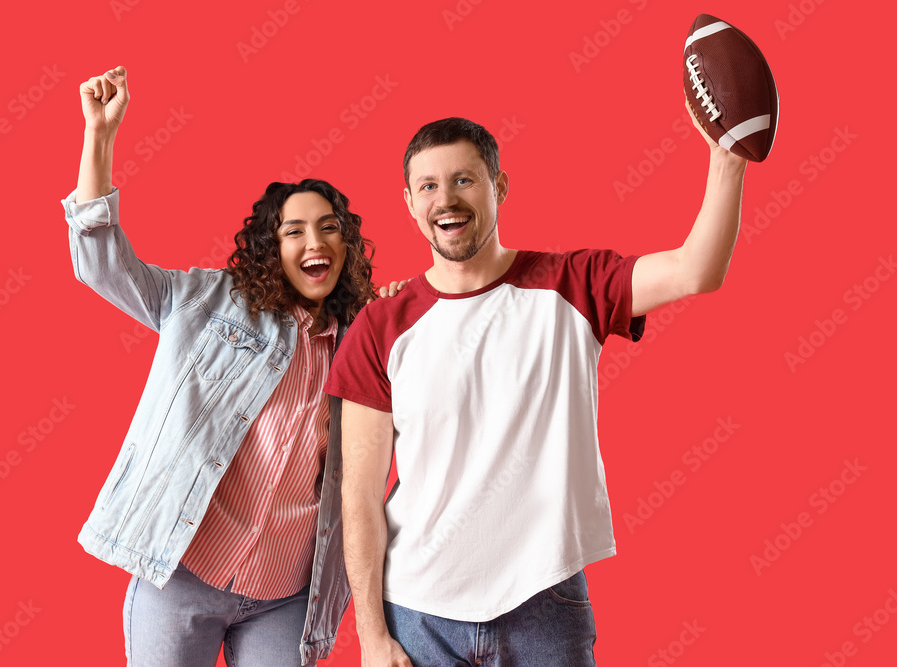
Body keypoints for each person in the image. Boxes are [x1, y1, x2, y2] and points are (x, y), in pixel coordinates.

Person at [324, 112, 748, 666]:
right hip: (418, 611)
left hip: (542, 599)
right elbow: (357, 496)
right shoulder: (381, 327)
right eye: (428, 186)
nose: (445, 199)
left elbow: (698, 270)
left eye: (464, 180)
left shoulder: (574, 285)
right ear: (409, 201)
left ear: (499, 186)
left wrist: (728, 157)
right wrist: (373, 637)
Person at [60, 66, 378, 666]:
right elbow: (102, 265)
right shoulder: (207, 301)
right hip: (183, 573)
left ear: (347, 245)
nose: (316, 241)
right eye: (294, 230)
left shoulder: (361, 344)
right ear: (271, 247)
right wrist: (98, 139)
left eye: (330, 228)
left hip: (286, 595)